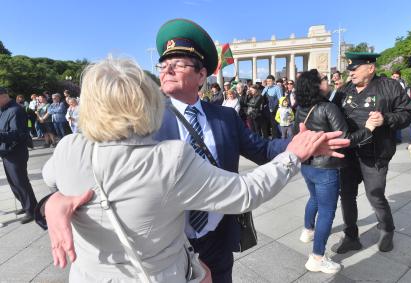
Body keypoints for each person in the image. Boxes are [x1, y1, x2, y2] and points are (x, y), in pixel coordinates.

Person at [37, 19, 349, 283]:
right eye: (164, 64)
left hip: (215, 237)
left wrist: (301, 146)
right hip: (164, 245)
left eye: (178, 64)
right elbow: (79, 180)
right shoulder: (140, 121)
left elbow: (263, 147)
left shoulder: (224, 116)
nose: (167, 70)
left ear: (202, 75)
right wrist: (51, 202)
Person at [293, 69, 378, 274]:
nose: (327, 80)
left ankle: (307, 231)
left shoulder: (301, 107)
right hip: (326, 168)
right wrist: (368, 129)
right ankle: (317, 257)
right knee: (327, 212)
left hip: (308, 164)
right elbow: (345, 139)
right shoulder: (328, 107)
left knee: (313, 198)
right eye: (323, 79)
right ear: (316, 86)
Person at [334, 52, 411, 254]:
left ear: (370, 68)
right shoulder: (344, 90)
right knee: (346, 196)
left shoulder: (390, 86)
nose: (350, 72)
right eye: (349, 69)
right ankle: (351, 236)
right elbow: (332, 113)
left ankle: (387, 229)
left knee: (375, 195)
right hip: (349, 153)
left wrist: (386, 119)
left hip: (375, 154)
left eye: (355, 69)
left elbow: (408, 114)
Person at [0, 87, 38, 224]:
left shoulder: (16, 110)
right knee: (13, 183)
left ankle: (32, 210)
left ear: (3, 96)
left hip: (16, 152)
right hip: (6, 152)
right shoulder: (4, 110)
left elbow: (20, 135)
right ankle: (24, 204)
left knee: (21, 182)